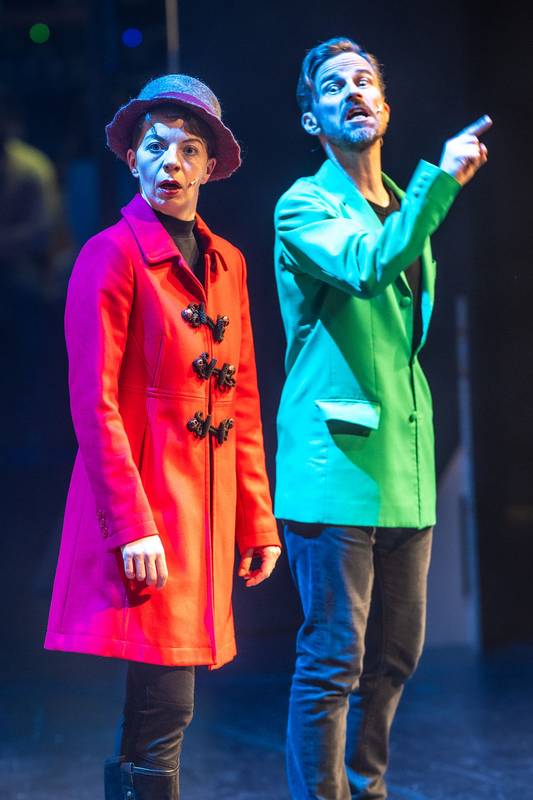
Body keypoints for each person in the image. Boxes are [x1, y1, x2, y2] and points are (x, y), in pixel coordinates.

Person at [45, 74, 281, 800]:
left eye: (188, 149)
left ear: (210, 167)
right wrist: (132, 524)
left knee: (161, 705)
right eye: (155, 146)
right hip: (149, 508)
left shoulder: (229, 263)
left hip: (204, 513)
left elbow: (239, 398)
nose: (171, 162)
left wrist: (256, 520)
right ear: (132, 159)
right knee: (167, 703)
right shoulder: (110, 255)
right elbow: (94, 405)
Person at [274, 37, 490, 799]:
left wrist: (427, 192)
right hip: (335, 466)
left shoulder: (402, 202)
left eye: (364, 80)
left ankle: (365, 789)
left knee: (394, 657)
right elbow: (367, 266)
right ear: (312, 119)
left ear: (385, 108)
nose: (353, 92)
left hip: (403, 466)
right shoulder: (303, 206)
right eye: (333, 86)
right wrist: (443, 181)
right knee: (333, 658)